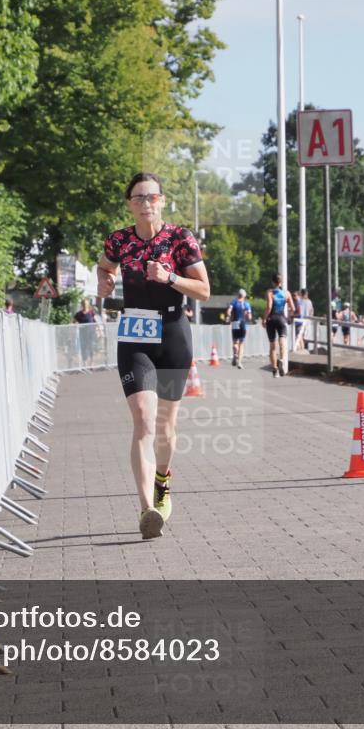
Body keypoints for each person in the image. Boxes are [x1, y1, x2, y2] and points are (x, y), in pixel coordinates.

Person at [97, 172, 210, 540]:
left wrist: (169, 278)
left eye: (152, 197)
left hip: (174, 334)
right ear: (129, 204)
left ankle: (163, 481)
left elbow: (204, 290)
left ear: (162, 201)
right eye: (138, 198)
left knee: (164, 425)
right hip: (135, 337)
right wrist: (104, 279)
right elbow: (104, 266)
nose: (146, 203)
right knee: (144, 420)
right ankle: (147, 509)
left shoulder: (180, 239)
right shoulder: (119, 240)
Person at [261, 273, 295, 378]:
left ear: (272, 282)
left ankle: (275, 369)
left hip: (271, 319)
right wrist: (289, 317)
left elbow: (269, 306)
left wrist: (264, 318)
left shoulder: (270, 292)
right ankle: (281, 359)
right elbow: (293, 308)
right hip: (281, 319)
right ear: (281, 282)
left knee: (272, 346)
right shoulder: (287, 293)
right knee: (283, 341)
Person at [225, 288, 253, 368]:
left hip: (235, 322)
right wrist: (247, 315)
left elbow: (228, 311)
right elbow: (250, 317)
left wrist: (229, 315)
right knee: (241, 343)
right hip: (243, 323)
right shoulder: (246, 304)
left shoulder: (233, 302)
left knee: (235, 342)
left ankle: (235, 354)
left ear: (238, 295)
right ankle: (240, 362)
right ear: (244, 296)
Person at [73, 298, 98, 365]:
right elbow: (73, 322)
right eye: (83, 304)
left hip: (91, 333)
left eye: (86, 304)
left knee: (91, 347)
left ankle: (92, 362)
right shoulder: (79, 314)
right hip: (82, 334)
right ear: (82, 305)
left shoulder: (91, 312)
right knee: (83, 347)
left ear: (88, 304)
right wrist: (73, 326)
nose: (85, 305)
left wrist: (99, 331)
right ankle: (85, 362)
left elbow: (96, 322)